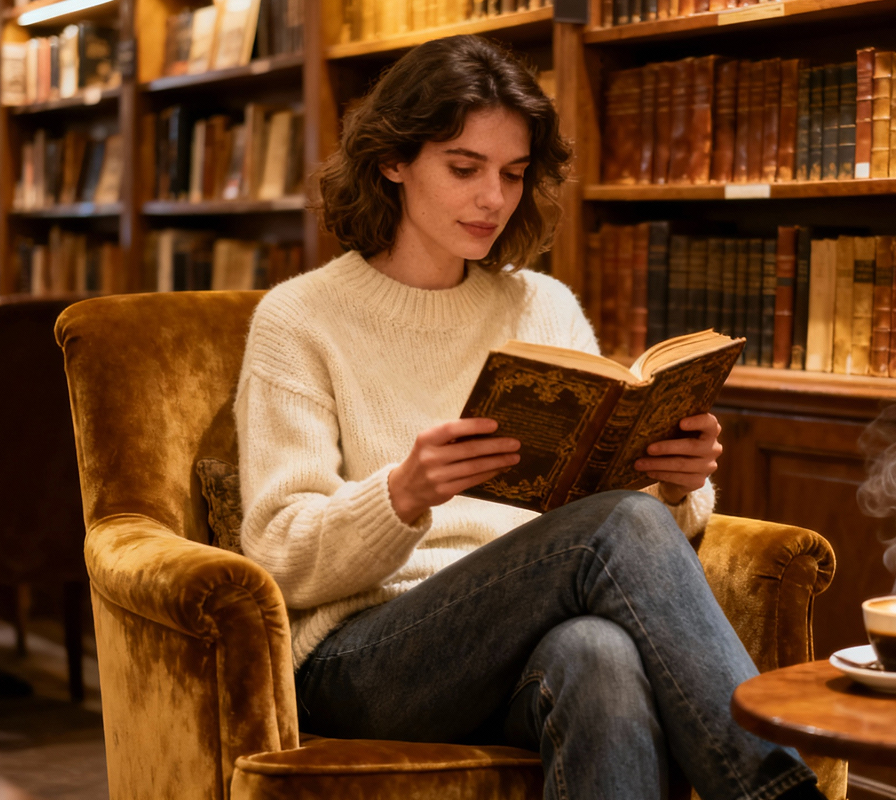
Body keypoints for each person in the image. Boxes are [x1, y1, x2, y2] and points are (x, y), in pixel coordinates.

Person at [236, 34, 825, 800]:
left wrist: (675, 486)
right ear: (393, 161)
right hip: (364, 657)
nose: (493, 199)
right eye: (464, 168)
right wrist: (402, 494)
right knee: (614, 531)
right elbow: (276, 551)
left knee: (599, 657)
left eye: (513, 174)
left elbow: (604, 515)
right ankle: (781, 793)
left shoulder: (539, 304)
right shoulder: (299, 319)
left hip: (525, 637)